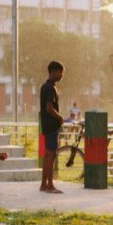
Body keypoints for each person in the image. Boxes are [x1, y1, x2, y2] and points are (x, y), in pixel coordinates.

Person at [39, 61, 65, 194]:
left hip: (46, 125)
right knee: (51, 154)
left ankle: (44, 184)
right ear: (53, 72)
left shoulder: (44, 86)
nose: (61, 75)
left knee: (47, 155)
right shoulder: (51, 88)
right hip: (51, 125)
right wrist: (60, 117)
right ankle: (50, 185)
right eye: (60, 72)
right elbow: (49, 108)